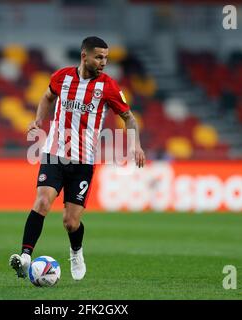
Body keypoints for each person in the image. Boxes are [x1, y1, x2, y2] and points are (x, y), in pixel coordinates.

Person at [9, 36, 145, 280]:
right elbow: (47, 97)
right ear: (85, 56)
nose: (104, 62)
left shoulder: (108, 87)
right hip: (55, 153)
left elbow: (129, 118)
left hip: (83, 162)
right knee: (41, 202)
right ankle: (25, 257)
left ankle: (76, 251)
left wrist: (135, 145)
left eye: (106, 58)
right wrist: (39, 119)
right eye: (99, 57)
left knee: (70, 222)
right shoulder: (62, 77)